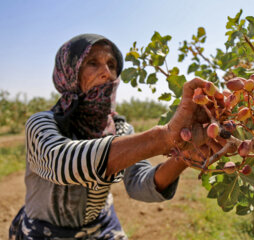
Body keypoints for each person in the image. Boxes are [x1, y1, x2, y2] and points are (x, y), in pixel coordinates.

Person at [8, 34, 220, 239]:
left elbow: (139, 183)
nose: (107, 73)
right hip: (45, 233)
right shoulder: (42, 124)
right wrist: (164, 137)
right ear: (69, 72)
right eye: (92, 63)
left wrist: (184, 155)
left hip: (103, 228)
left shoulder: (120, 130)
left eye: (111, 65)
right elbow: (60, 162)